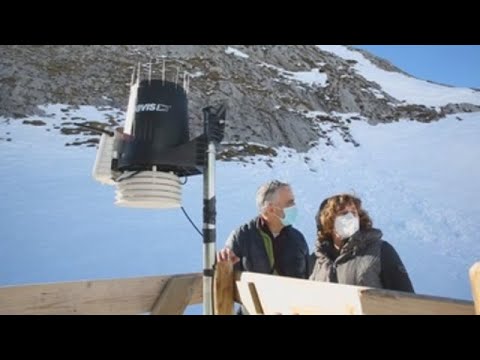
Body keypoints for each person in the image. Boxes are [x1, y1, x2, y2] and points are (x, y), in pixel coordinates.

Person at [309, 193, 414, 292]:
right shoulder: (317, 260)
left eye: (354, 213)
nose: (350, 217)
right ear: (329, 222)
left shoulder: (381, 251)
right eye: (343, 213)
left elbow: (407, 300)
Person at [217, 180, 310, 279]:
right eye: (289, 203)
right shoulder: (242, 237)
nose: (294, 206)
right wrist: (223, 262)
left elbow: (308, 280)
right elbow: (226, 278)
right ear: (270, 209)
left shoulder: (298, 239)